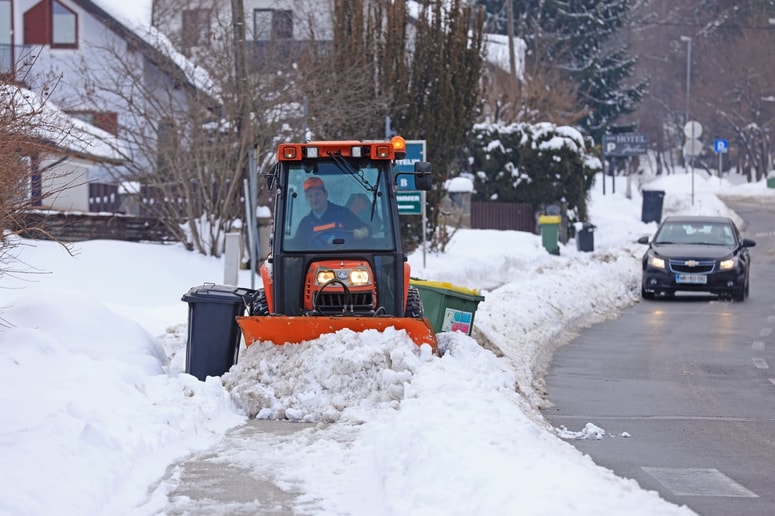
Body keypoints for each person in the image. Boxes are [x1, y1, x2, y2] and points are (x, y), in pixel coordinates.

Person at [294, 177, 369, 246]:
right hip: (315, 259)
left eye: (317, 194)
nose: (314, 199)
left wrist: (362, 232)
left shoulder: (343, 213)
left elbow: (366, 229)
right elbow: (296, 247)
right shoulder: (305, 224)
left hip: (344, 258)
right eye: (310, 196)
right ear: (306, 199)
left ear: (325, 194)